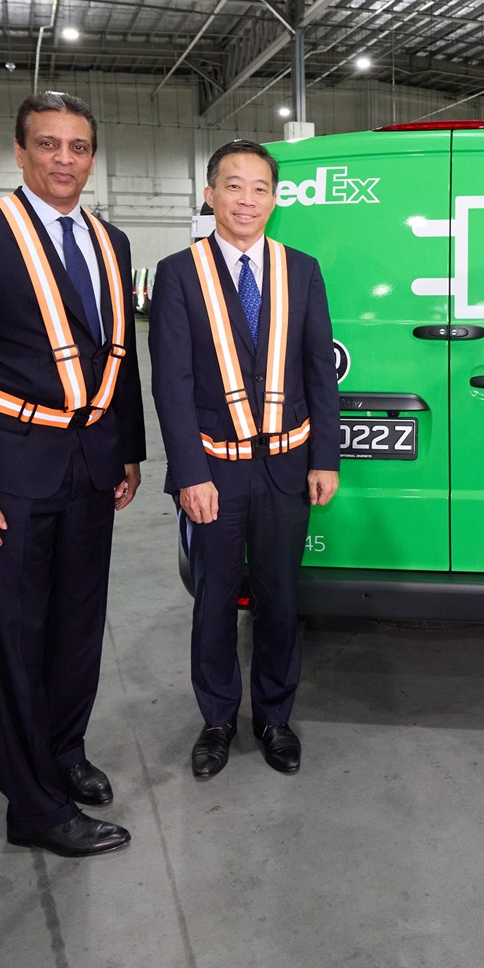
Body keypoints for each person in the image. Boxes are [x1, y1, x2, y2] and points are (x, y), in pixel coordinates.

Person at [0, 91, 144, 859]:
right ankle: (34, 806)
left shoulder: (111, 241)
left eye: (78, 146)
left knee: (79, 625)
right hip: (8, 469)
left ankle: (64, 752)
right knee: (19, 636)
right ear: (20, 152)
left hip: (91, 463)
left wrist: (127, 448)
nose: (63, 158)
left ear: (92, 157)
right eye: (48, 143)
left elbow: (119, 355)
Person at [150, 140, 340, 780]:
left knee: (280, 599)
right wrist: (189, 474)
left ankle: (275, 719)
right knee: (213, 602)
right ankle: (217, 721)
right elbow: (171, 383)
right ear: (210, 195)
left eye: (260, 188)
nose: (247, 200)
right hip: (215, 472)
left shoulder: (301, 270)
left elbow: (319, 371)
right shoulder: (179, 273)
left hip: (287, 470)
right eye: (233, 186)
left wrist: (325, 457)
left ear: (275, 199)